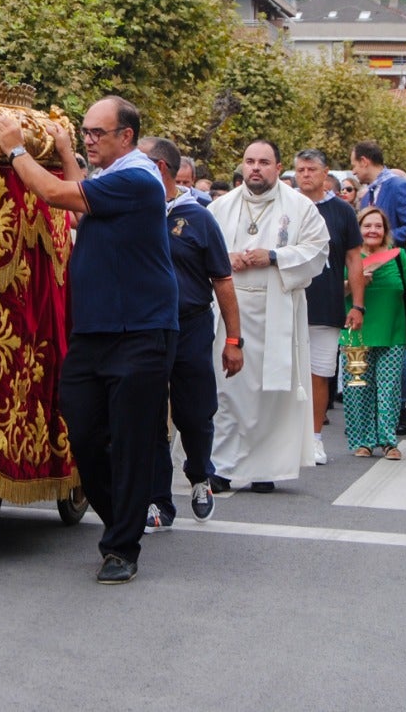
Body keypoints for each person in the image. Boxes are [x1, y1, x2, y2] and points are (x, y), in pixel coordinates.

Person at [0, 96, 176, 584]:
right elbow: (80, 204)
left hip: (139, 331)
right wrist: (67, 150)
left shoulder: (138, 179)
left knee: (131, 442)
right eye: (86, 132)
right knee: (87, 434)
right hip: (94, 333)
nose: (90, 139)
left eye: (98, 133)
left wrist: (15, 149)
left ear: (127, 137)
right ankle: (122, 522)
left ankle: (121, 547)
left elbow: (56, 194)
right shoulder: (113, 181)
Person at [206, 140, 329, 492]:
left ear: (278, 168)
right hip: (230, 311)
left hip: (276, 310)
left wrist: (273, 256)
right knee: (227, 390)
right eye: (249, 161)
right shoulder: (220, 207)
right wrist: (225, 258)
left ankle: (263, 469)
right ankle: (224, 466)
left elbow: (317, 251)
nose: (255, 168)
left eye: (263, 162)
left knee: (269, 392)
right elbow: (203, 249)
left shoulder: (301, 208)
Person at [139, 137, 242, 530]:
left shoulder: (198, 217)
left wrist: (234, 340)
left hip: (191, 326)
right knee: (148, 414)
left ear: (159, 168)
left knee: (195, 414)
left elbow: (223, 280)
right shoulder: (133, 209)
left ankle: (200, 475)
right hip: (146, 328)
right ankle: (158, 501)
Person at [351, 140, 406, 434]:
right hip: (368, 276)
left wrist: (381, 237)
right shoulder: (368, 192)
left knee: (395, 353)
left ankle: (402, 410)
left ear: (365, 160)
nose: (355, 171)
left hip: (393, 271)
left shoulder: (396, 186)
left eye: (355, 164)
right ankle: (371, 420)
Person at [294, 149, 365, 465]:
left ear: (325, 174)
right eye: (300, 169)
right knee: (286, 373)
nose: (305, 174)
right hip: (288, 301)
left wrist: (358, 305)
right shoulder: (286, 205)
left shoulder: (342, 211)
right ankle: (285, 438)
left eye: (311, 169)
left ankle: (315, 438)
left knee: (319, 373)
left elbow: (354, 259)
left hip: (326, 304)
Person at [341, 206, 406, 459]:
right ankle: (362, 442)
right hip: (356, 333)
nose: (372, 230)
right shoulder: (349, 257)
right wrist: (355, 283)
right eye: (367, 225)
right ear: (358, 229)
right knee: (357, 389)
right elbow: (336, 295)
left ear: (385, 231)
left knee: (389, 389)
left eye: (378, 226)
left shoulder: (398, 256)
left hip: (392, 332)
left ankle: (388, 442)